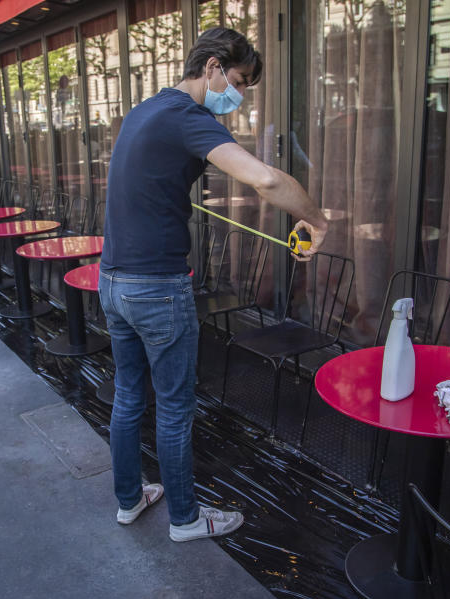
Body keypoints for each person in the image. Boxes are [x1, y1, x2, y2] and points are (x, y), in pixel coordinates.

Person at [99, 27, 329, 542]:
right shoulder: (187, 116)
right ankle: (184, 519)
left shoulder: (146, 110)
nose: (241, 95)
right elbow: (265, 179)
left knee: (129, 397)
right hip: (156, 289)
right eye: (240, 81)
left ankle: (130, 501)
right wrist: (318, 219)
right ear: (211, 68)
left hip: (113, 282)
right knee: (176, 407)